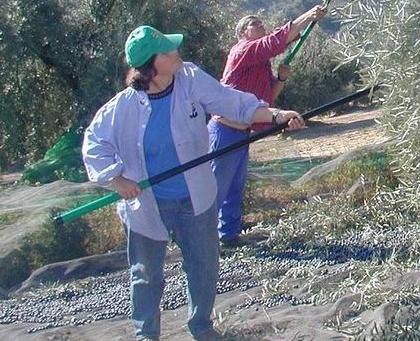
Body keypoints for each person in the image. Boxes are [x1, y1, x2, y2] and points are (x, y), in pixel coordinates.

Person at [82, 25, 306, 341]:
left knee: (203, 267)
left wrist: (276, 114)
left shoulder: (189, 78)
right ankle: (146, 335)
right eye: (168, 50)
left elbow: (231, 102)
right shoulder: (122, 108)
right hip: (148, 203)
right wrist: (118, 180)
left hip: (195, 198)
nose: (177, 51)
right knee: (146, 275)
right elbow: (94, 144)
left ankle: (201, 327)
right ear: (152, 64)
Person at [209, 6, 327, 247]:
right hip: (224, 130)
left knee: (234, 188)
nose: (261, 26)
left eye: (262, 23)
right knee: (216, 188)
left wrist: (281, 78)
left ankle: (228, 237)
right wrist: (307, 17)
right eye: (255, 24)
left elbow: (268, 98)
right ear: (242, 33)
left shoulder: (260, 63)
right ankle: (202, 240)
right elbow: (273, 43)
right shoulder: (242, 51)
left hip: (242, 133)